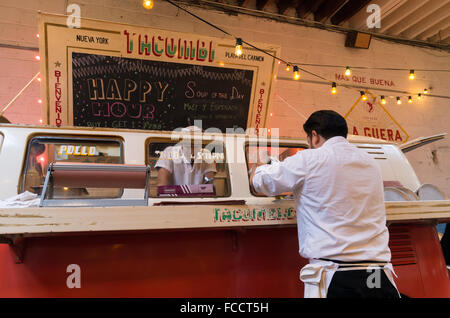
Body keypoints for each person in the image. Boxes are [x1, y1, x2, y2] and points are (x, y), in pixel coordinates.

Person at [249, 110, 399, 298]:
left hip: (337, 274)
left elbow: (264, 183)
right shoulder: (370, 162)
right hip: (377, 272)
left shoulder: (309, 159)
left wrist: (257, 168)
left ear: (314, 135)